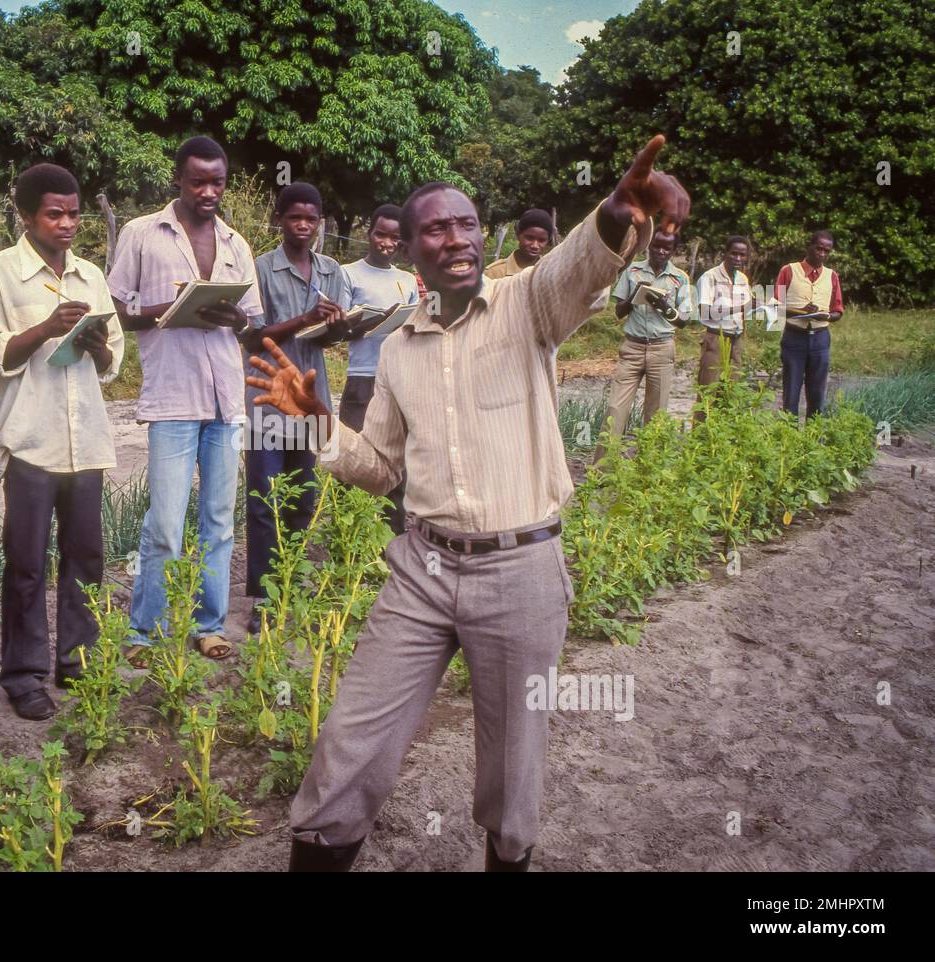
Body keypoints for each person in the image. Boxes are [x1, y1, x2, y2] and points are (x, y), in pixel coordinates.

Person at [247, 136, 688, 872]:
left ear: (487, 238)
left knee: (512, 778)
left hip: (520, 572)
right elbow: (382, 469)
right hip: (422, 569)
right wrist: (316, 419)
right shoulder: (399, 350)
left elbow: (580, 266)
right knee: (349, 748)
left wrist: (616, 213)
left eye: (468, 224)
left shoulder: (528, 305)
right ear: (410, 250)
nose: (456, 238)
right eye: (436, 228)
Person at [107, 136, 263, 663]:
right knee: (165, 524)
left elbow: (252, 321)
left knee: (220, 521)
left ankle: (209, 625)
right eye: (197, 180)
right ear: (177, 178)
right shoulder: (142, 234)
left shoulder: (237, 243)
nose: (208, 191)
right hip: (172, 397)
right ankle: (143, 633)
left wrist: (234, 317)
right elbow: (118, 309)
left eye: (217, 181)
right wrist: (168, 309)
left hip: (226, 400)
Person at [0, 163, 124, 720]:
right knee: (26, 562)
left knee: (86, 555)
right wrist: (45, 327)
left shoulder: (90, 274)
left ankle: (77, 661)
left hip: (85, 436)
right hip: (30, 437)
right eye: (54, 214)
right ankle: (22, 674)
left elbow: (111, 364)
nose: (67, 224)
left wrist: (93, 343)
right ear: (25, 214)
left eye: (74, 213)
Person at [240, 183, 352, 635]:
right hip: (269, 398)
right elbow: (250, 336)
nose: (302, 225)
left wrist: (339, 327)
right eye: (293, 218)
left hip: (310, 399)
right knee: (264, 500)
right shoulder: (262, 269)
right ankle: (264, 598)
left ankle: (290, 583)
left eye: (310, 218)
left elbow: (328, 341)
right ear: (279, 221)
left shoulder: (331, 271)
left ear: (320, 222)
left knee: (302, 499)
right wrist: (304, 319)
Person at [338, 204, 418, 534]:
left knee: (396, 465)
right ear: (369, 233)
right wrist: (372, 322)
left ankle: (390, 547)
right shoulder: (348, 273)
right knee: (349, 458)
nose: (386, 242)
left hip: (399, 379)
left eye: (394, 238)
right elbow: (340, 328)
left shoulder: (407, 279)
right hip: (362, 378)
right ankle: (344, 543)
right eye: (380, 234)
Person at [593, 228, 693, 462]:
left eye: (665, 248)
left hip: (661, 348)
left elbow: (683, 322)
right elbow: (618, 311)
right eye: (656, 246)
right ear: (649, 246)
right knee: (616, 409)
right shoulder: (633, 270)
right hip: (632, 348)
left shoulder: (680, 278)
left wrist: (664, 306)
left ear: (673, 251)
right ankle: (601, 469)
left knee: (656, 412)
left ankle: (649, 465)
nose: (659, 251)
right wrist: (635, 295)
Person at [775, 230, 843, 419]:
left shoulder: (831, 276)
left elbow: (838, 310)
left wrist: (826, 316)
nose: (822, 254)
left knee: (817, 394)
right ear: (809, 247)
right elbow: (775, 306)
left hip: (820, 339)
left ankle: (813, 439)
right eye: (818, 248)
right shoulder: (788, 271)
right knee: (791, 392)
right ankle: (789, 437)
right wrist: (801, 312)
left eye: (826, 251)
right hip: (794, 337)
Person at [695, 236, 753, 389]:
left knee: (730, 393)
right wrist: (740, 308)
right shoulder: (709, 277)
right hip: (715, 338)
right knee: (708, 391)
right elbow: (705, 312)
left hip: (736, 340)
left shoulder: (742, 278)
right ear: (725, 254)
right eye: (734, 253)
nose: (738, 258)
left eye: (742, 255)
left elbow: (746, 309)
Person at [482, 208, 554, 279]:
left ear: (548, 240)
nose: (535, 246)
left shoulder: (550, 275)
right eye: (529, 238)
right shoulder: (494, 273)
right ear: (518, 235)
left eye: (541, 240)